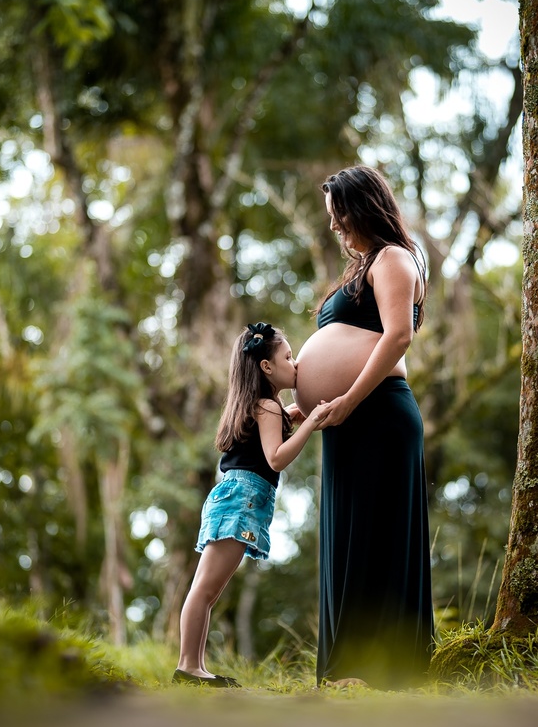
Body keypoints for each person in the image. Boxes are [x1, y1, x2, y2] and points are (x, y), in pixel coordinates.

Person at [310, 165, 435, 689]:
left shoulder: (393, 259)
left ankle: (381, 667)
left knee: (374, 536)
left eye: (340, 217)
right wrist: (312, 404)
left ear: (362, 208)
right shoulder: (361, 268)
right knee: (347, 537)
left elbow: (398, 337)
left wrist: (346, 399)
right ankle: (348, 668)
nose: (336, 229)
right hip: (344, 417)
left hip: (378, 413)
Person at [173, 322, 329, 687]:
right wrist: (311, 423)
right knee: (205, 590)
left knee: (207, 591)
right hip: (241, 500)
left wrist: (296, 416)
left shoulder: (263, 405)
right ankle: (187, 667)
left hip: (235, 497)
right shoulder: (266, 407)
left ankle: (194, 667)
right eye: (288, 357)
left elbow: (269, 437)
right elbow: (275, 458)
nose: (297, 364)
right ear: (267, 367)